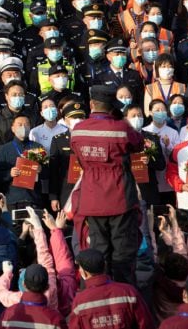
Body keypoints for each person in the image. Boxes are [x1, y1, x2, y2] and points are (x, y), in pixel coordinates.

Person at [69, 85, 144, 285]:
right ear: (112, 107)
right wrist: (121, 119)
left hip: (92, 196)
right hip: (119, 196)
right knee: (122, 249)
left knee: (99, 248)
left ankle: (98, 288)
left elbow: (77, 155)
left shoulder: (78, 130)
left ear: (92, 104)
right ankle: (123, 289)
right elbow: (138, 144)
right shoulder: (121, 128)